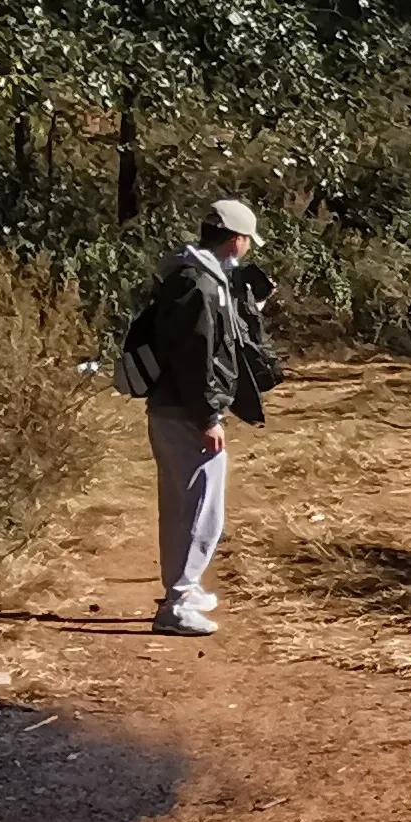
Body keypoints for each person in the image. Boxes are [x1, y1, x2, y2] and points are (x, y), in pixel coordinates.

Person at [124, 198, 279, 637]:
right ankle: (177, 603)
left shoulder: (193, 277)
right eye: (248, 240)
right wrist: (209, 417)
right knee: (199, 510)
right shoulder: (200, 286)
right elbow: (197, 357)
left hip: (174, 408)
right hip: (187, 413)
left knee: (183, 505)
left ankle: (184, 591)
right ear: (237, 238)